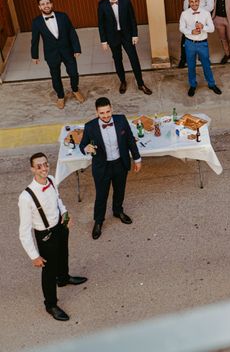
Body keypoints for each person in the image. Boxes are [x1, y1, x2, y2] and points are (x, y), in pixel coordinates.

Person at [18, 152, 87, 321]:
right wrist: (34, 256)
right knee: (48, 271)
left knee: (64, 254)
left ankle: (63, 278)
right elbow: (24, 231)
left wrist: (65, 214)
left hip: (60, 227)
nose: (43, 168)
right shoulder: (26, 197)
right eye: (39, 166)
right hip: (45, 235)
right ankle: (50, 304)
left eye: (45, 164)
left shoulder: (51, 180)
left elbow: (58, 200)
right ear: (32, 169)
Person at [79, 97, 142, 240]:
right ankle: (98, 221)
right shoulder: (90, 126)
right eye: (102, 113)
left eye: (108, 111)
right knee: (101, 195)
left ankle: (118, 211)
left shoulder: (121, 120)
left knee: (120, 190)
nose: (106, 116)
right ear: (96, 113)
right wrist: (85, 148)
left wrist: (137, 159)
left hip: (120, 163)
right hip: (102, 167)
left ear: (111, 109)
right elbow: (82, 145)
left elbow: (130, 140)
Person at [97, 0, 152, 95]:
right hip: (112, 37)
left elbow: (132, 19)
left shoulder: (125, 1)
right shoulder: (102, 5)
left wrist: (135, 34)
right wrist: (103, 40)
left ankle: (141, 84)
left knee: (134, 59)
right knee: (117, 60)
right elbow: (101, 24)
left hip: (126, 35)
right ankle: (123, 82)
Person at [31, 0, 85, 109]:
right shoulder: (36, 22)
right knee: (55, 77)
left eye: (47, 3)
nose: (46, 6)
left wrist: (77, 48)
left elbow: (71, 32)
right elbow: (35, 40)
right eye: (43, 4)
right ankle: (60, 96)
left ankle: (75, 89)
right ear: (39, 7)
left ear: (51, 4)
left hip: (67, 50)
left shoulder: (63, 16)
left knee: (74, 73)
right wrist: (34, 56)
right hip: (51, 54)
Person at [161, 0, 214, 68]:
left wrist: (198, 11)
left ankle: (202, 57)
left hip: (200, 18)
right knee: (185, 38)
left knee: (200, 37)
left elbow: (210, 6)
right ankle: (183, 59)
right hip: (187, 16)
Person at [178, 0, 221, 97]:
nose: (194, 4)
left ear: (199, 1)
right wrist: (191, 32)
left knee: (206, 65)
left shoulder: (206, 13)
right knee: (191, 66)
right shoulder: (184, 14)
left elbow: (212, 29)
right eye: (191, 1)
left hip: (202, 43)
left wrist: (203, 27)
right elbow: (181, 28)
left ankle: (211, 84)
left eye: (196, 1)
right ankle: (192, 85)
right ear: (189, 2)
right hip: (189, 44)